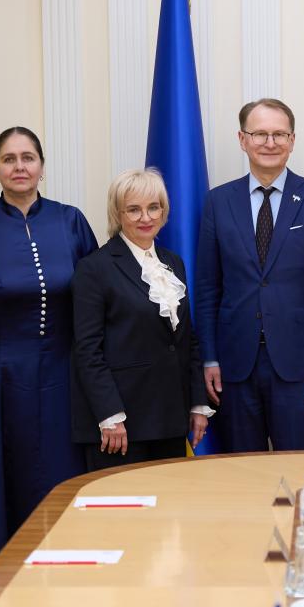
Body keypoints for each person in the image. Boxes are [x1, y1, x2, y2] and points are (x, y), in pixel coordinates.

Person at [0, 126, 97, 566]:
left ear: (42, 167)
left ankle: (63, 571)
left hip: (63, 376)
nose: (19, 167)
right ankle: (5, 580)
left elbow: (95, 299)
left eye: (28, 158)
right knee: (4, 480)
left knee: (61, 473)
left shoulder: (71, 221)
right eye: (9, 159)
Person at [195, 99, 304, 452]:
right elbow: (207, 288)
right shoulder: (218, 202)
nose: (270, 142)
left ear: (292, 140)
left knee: (296, 466)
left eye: (279, 134)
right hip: (234, 365)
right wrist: (209, 358)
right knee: (242, 470)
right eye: (260, 134)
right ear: (242, 139)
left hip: (297, 365)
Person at [71, 169, 212, 468]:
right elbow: (87, 350)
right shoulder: (94, 268)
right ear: (118, 213)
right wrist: (110, 414)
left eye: (153, 207)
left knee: (170, 497)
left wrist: (198, 403)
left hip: (171, 417)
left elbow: (187, 338)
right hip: (121, 424)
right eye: (133, 209)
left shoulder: (173, 263)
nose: (145, 217)